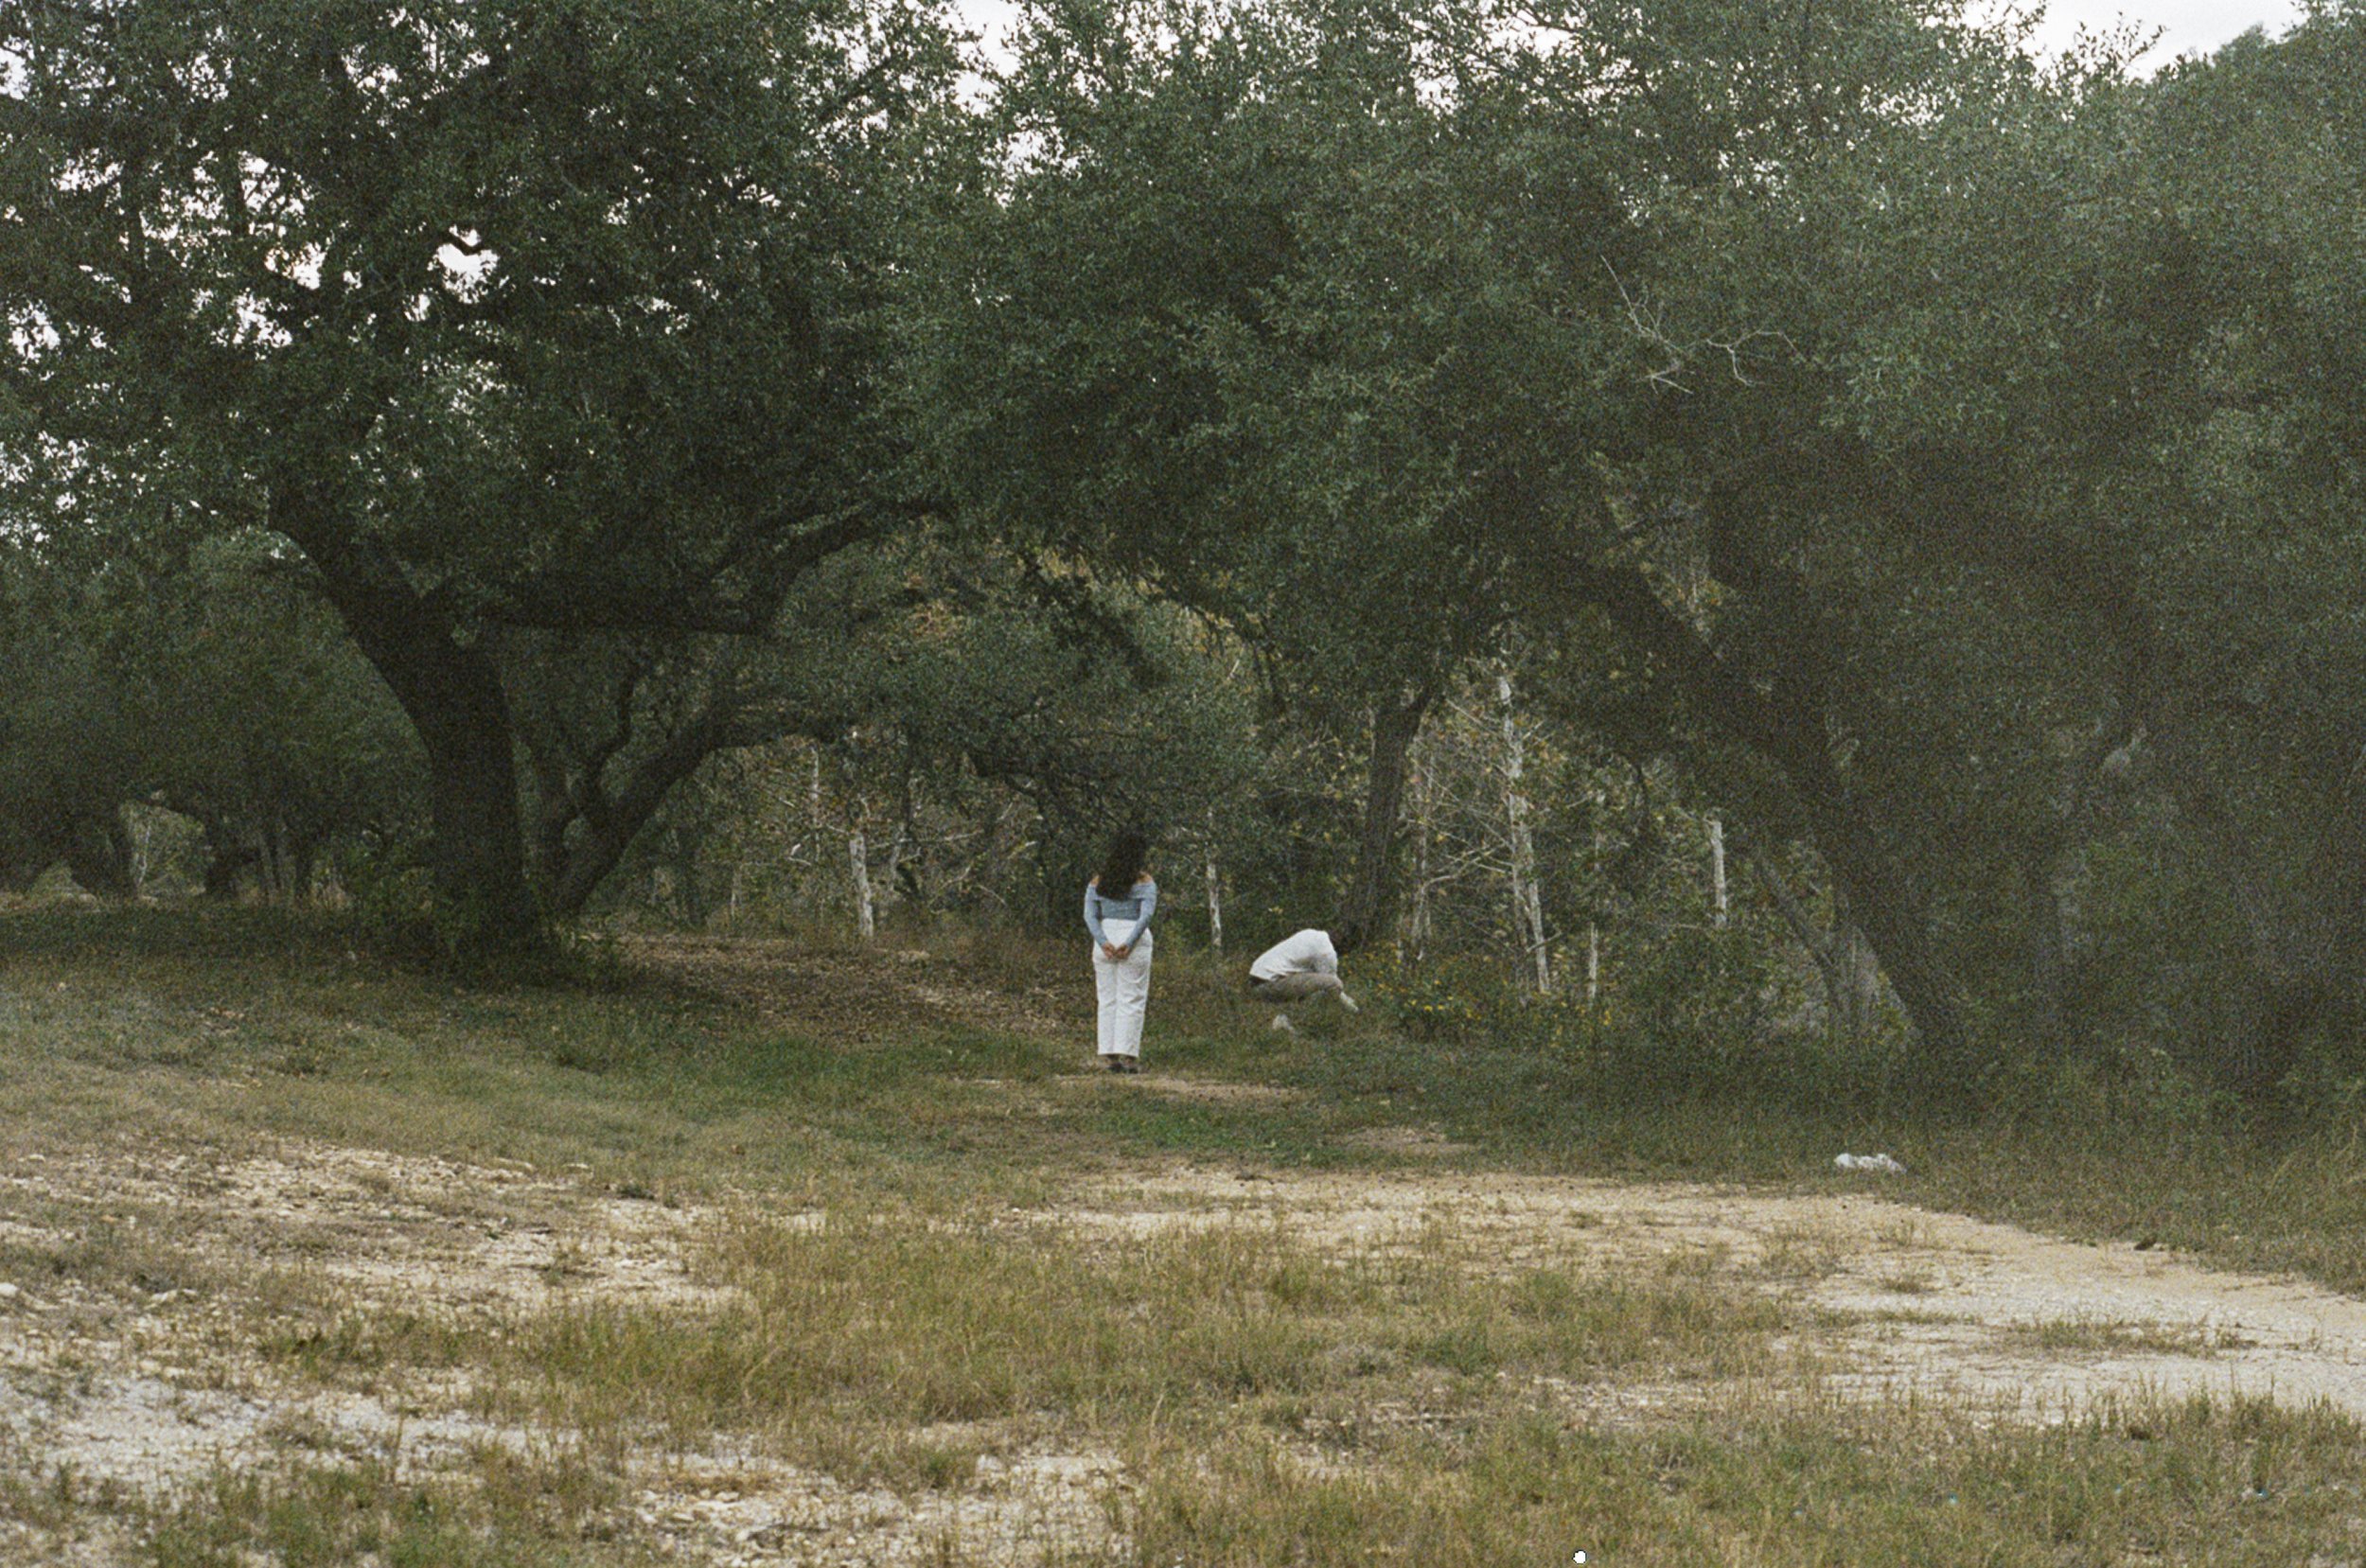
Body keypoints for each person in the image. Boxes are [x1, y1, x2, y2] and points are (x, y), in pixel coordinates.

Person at [1084, 829, 1158, 1073]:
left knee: (1107, 998)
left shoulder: (1098, 882)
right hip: (1132, 937)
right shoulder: (1144, 882)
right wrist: (1130, 941)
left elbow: (1090, 915)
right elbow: (1146, 915)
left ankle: (1109, 1055)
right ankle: (1128, 1056)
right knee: (1132, 997)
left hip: (1105, 935)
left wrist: (1102, 940)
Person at [1247, 924, 1362, 1033]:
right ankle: (1289, 1019)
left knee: (1315, 984)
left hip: (1255, 982)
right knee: (1332, 984)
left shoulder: (1310, 933)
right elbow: (1336, 986)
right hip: (1269, 985)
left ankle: (1289, 1016)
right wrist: (1355, 1010)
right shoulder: (1327, 952)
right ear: (1345, 944)